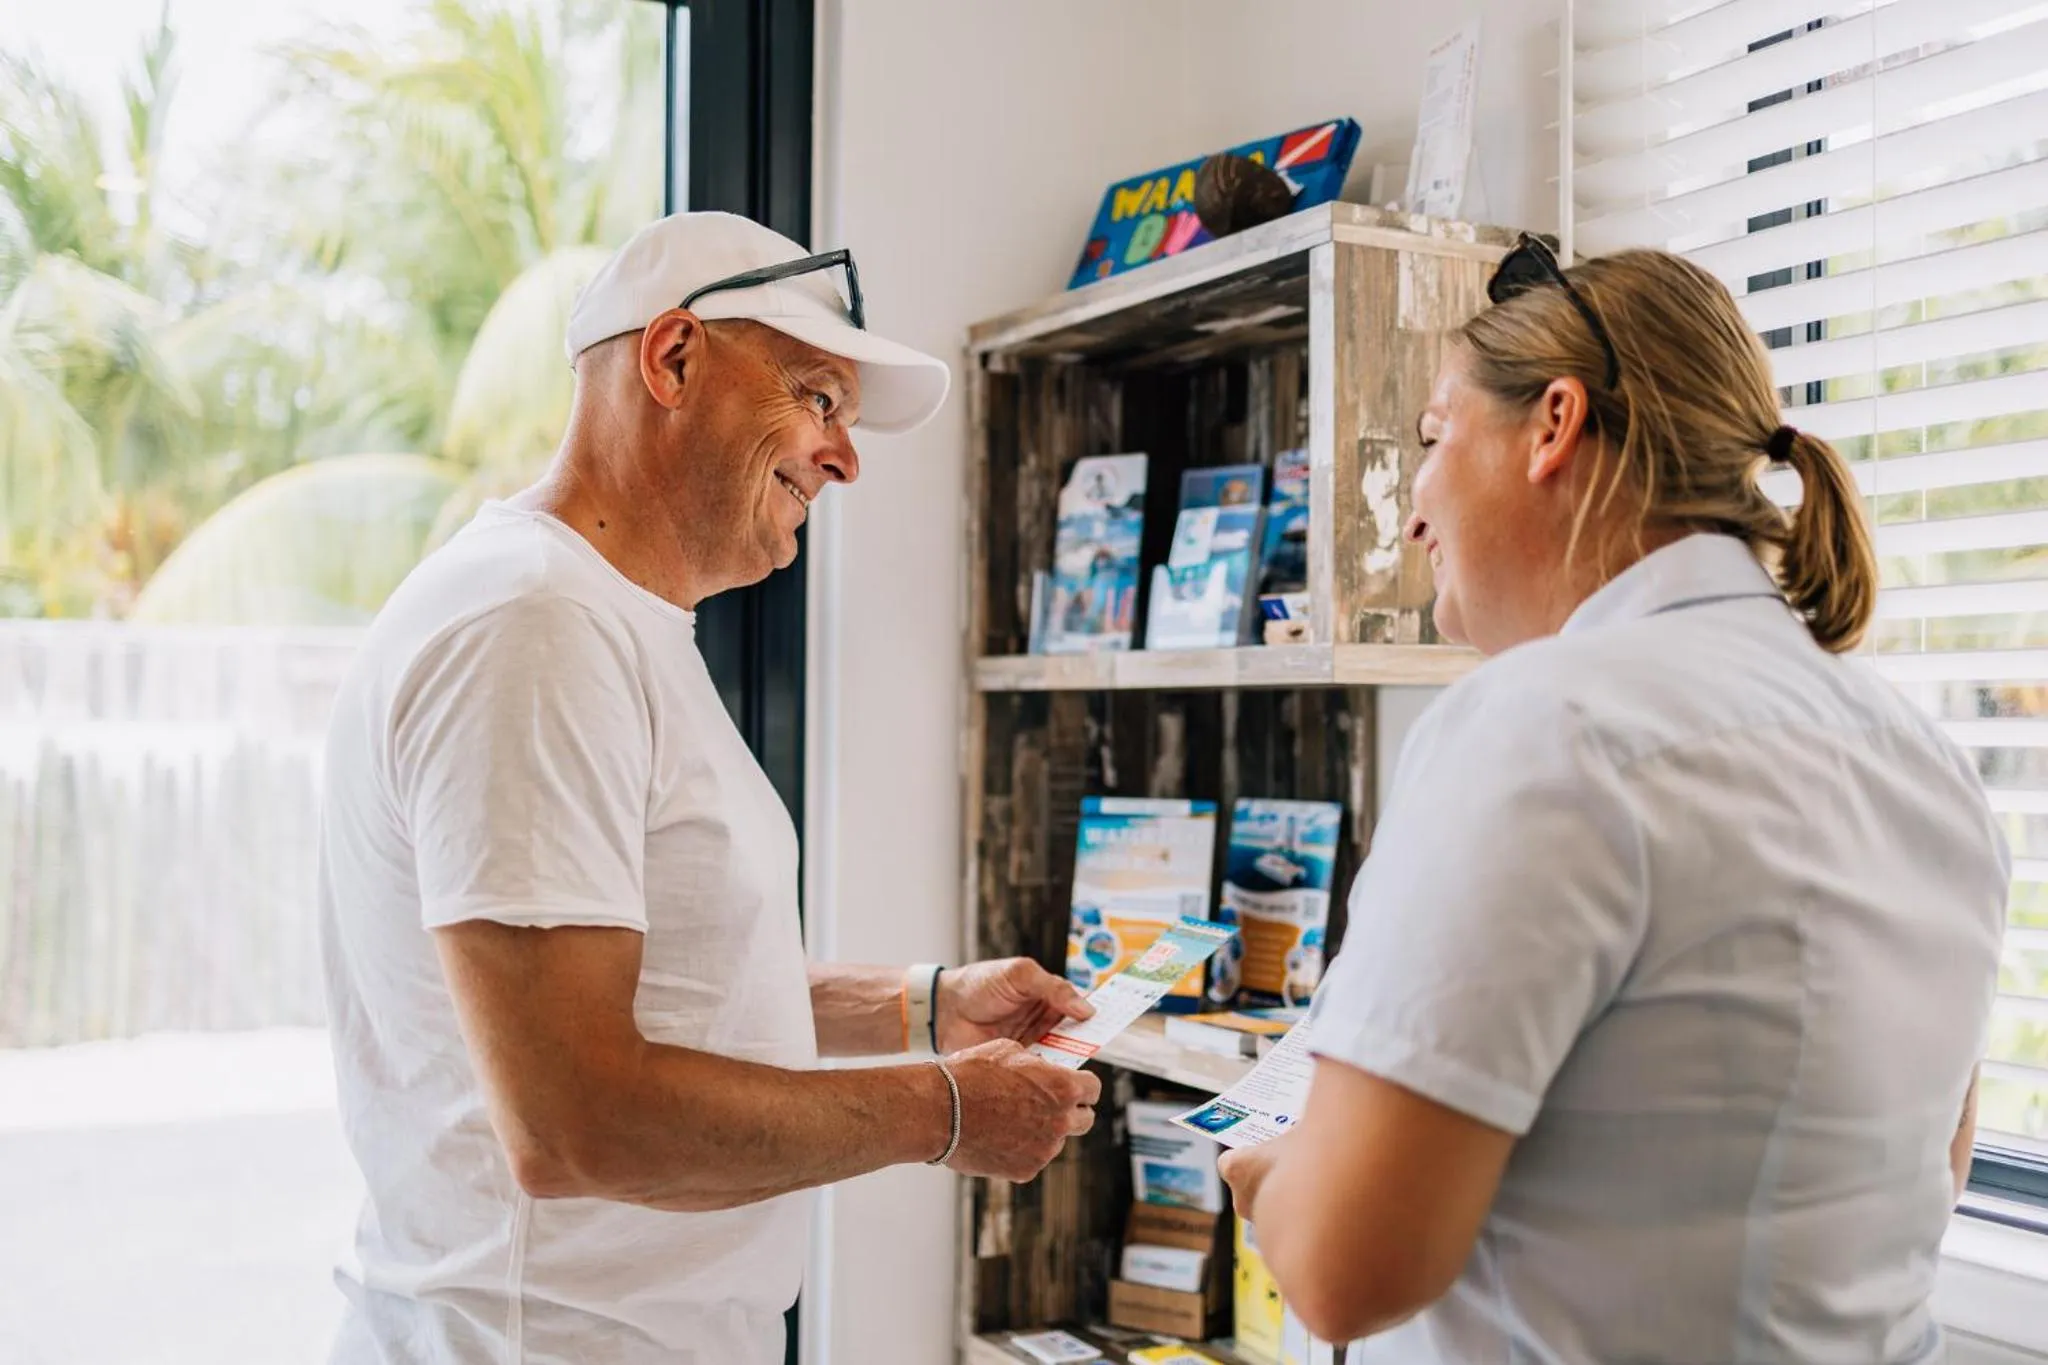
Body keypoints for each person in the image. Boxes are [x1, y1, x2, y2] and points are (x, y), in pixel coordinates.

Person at [317, 211, 1102, 1365]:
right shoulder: (533, 627)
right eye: (814, 397)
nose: (844, 456)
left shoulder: (601, 621)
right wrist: (941, 1108)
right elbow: (579, 1119)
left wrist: (921, 1000)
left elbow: (652, 975)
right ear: (671, 358)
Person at [1219, 238, 2009, 1363]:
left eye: (1435, 439)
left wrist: (1274, 1175)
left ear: (1552, 424)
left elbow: (1346, 1274)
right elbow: (1918, 1181)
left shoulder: (1543, 725)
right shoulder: (1922, 759)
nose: (1413, 513)